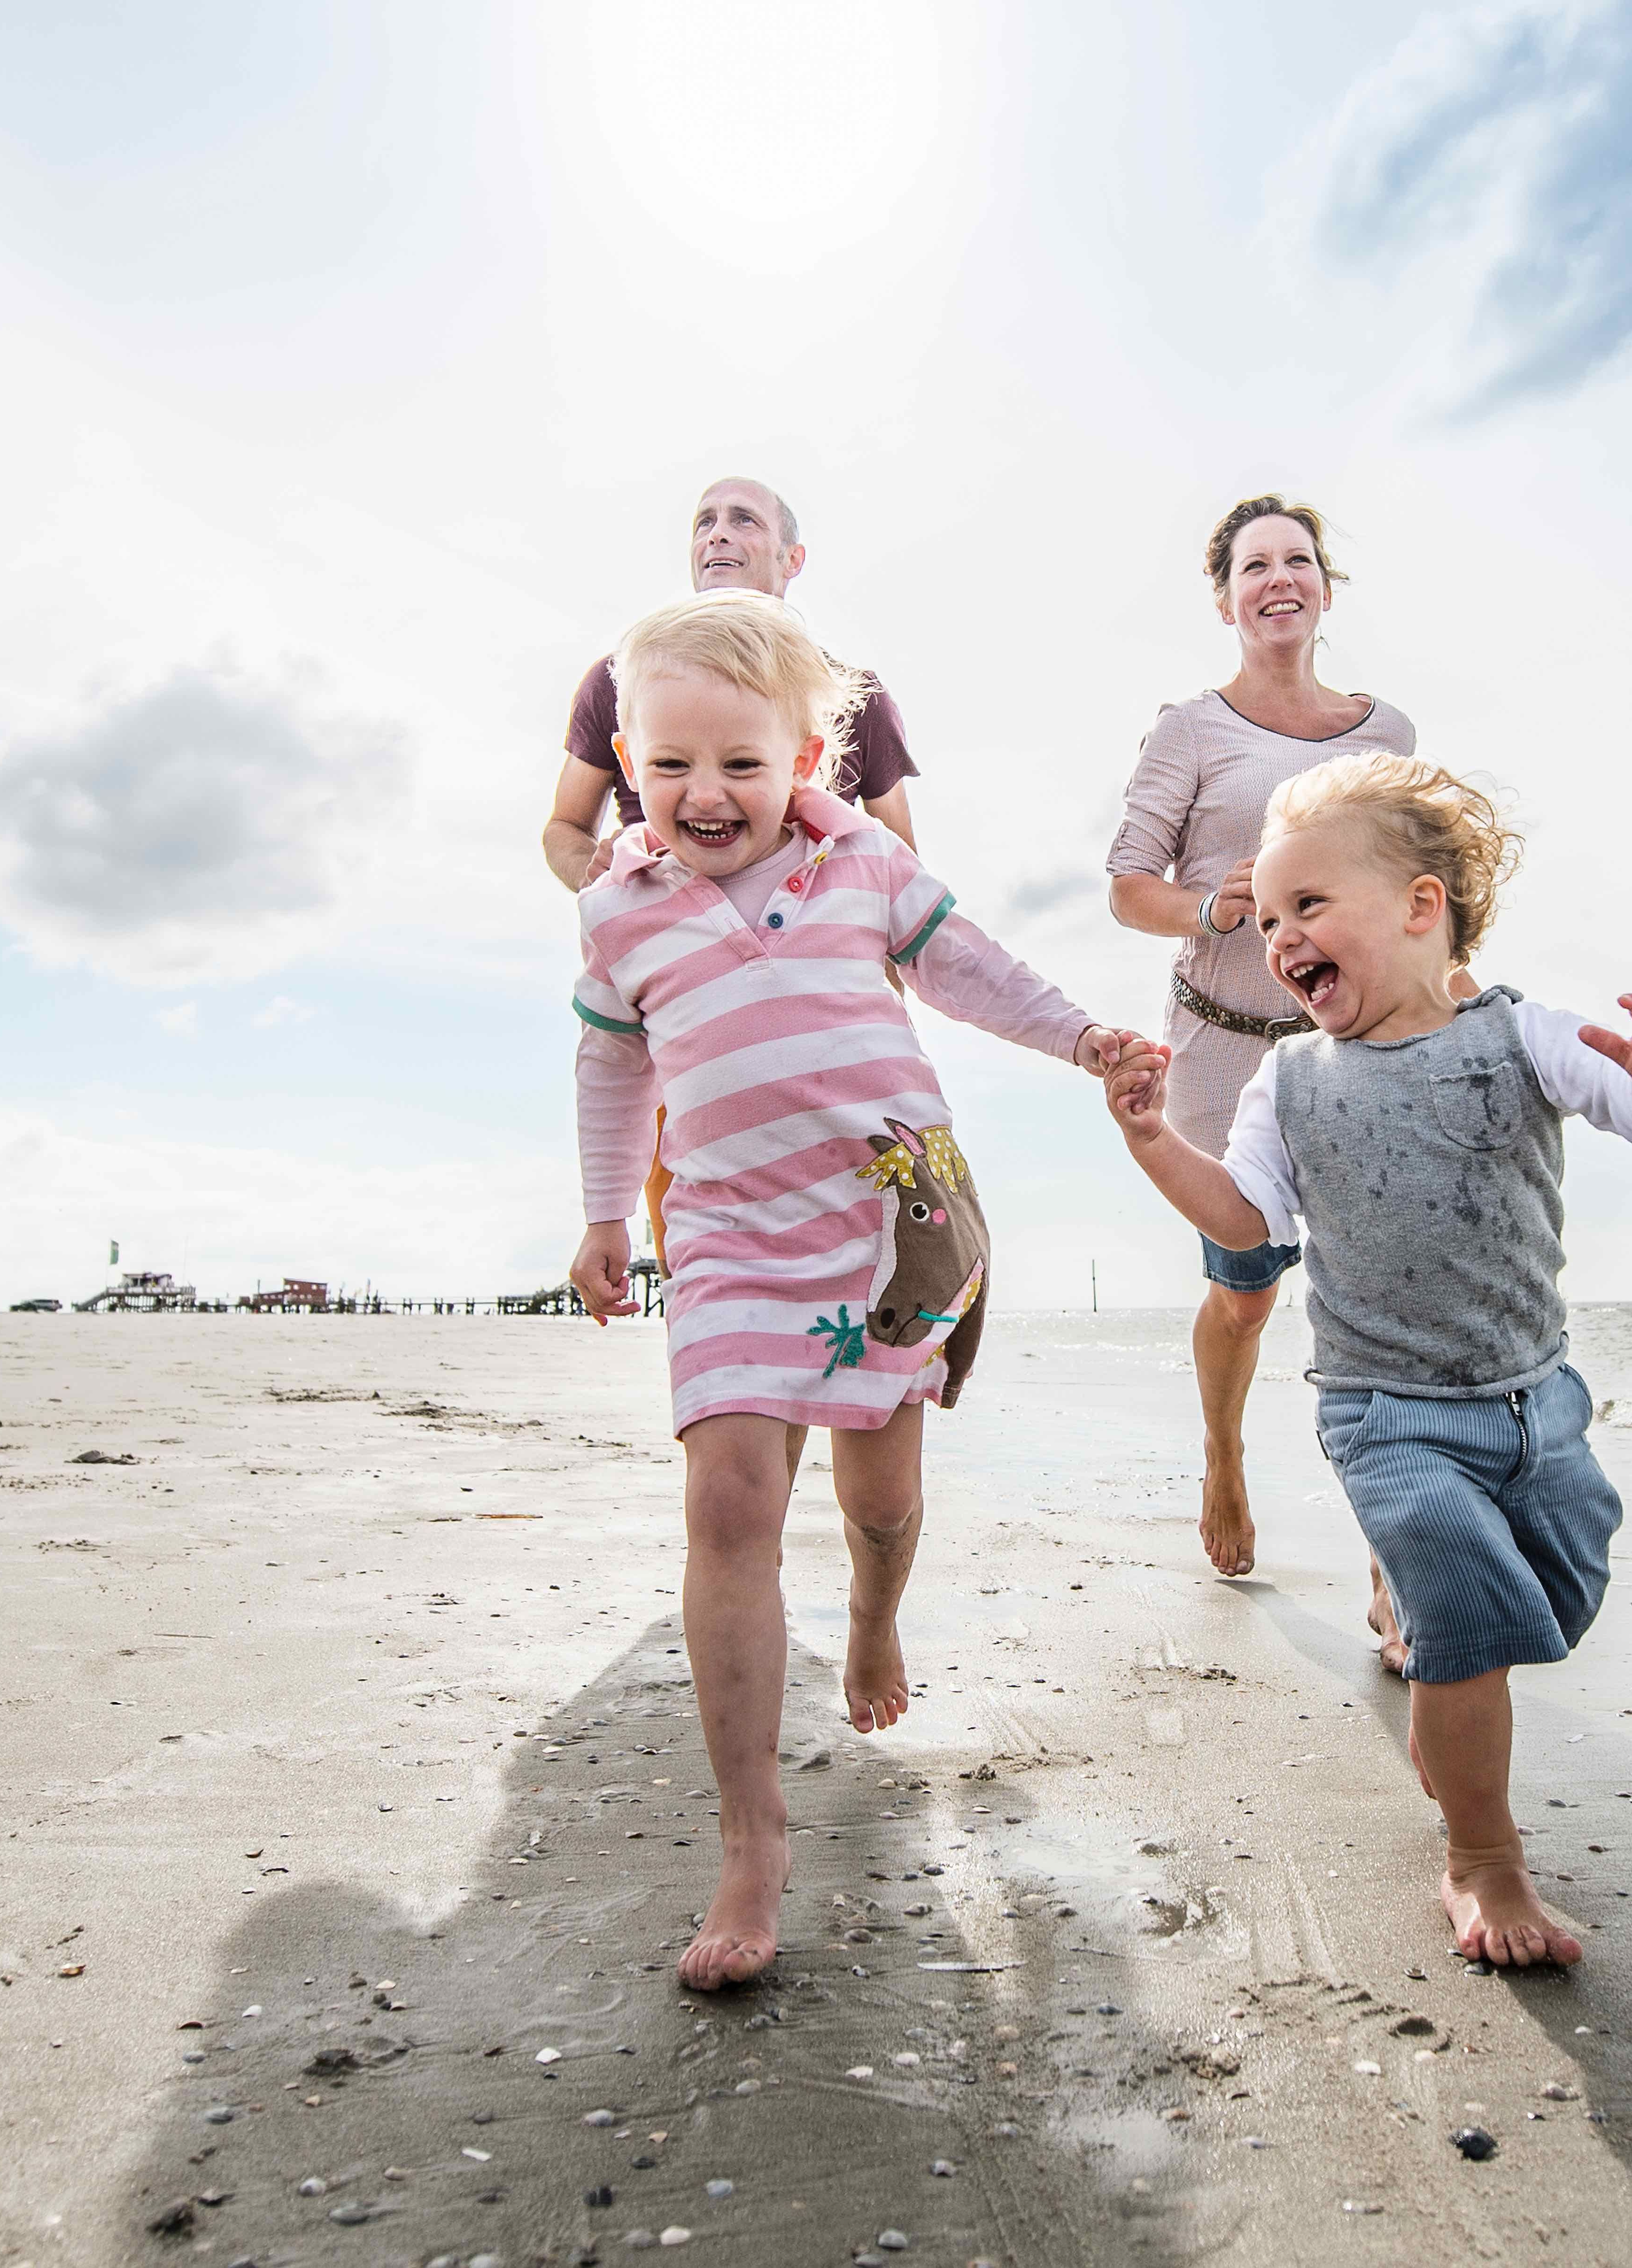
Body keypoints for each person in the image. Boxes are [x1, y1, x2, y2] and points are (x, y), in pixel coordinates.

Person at [569, 590, 1138, 1991]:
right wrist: (598, 1214)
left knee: (878, 1501)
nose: (706, 794)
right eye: (671, 765)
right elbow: (609, 1071)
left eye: (743, 765)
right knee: (731, 1504)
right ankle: (752, 1837)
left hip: (892, 1220)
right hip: (730, 1232)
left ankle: (878, 1614)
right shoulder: (618, 914)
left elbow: (975, 972)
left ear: (811, 754)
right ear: (629, 755)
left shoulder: (868, 865)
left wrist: (1088, 1038)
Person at [1096, 752, 1632, 1967]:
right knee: (1464, 1628)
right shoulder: (1287, 1082)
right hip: (1384, 1413)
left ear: (1420, 907)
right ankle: (1480, 1859)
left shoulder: (1523, 1032)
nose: (1280, 936)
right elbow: (1248, 1225)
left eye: (1307, 905)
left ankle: (1452, 1690)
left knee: (1552, 1590)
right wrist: (1149, 1144)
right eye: (1269, 917)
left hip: (1532, 1403)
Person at [1106, 495, 1423, 1591]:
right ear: (1227, 597)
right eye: (1254, 565)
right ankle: (1225, 1460)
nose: (1277, 578)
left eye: (1297, 561)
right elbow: (1127, 892)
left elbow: (1417, 895)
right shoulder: (1191, 729)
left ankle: (1396, 1552)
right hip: (1222, 1053)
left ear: (1327, 589)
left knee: (1374, 1296)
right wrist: (1212, 910)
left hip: (1354, 1052)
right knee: (1246, 1293)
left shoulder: (1389, 737)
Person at [543, 477, 920, 890]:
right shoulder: (619, 679)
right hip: (661, 947)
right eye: (704, 523)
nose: (717, 534)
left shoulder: (855, 694)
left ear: (792, 559)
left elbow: (901, 870)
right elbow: (566, 825)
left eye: (744, 520)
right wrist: (603, 888)